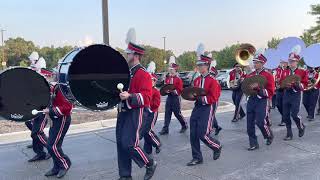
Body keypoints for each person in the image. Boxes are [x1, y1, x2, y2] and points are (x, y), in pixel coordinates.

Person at [116, 28, 157, 180]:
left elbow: (147, 97)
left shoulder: (143, 74)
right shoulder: (127, 72)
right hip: (123, 112)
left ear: (136, 55)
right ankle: (125, 175)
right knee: (121, 144)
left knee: (129, 143)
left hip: (136, 112)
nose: (126, 55)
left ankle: (149, 163)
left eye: (129, 53)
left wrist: (130, 96)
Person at [187, 45, 222, 166]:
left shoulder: (213, 81)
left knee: (202, 134)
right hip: (197, 108)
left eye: (201, 65)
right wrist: (191, 96)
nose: (199, 67)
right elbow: (194, 94)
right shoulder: (196, 80)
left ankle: (216, 146)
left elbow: (214, 97)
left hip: (207, 108)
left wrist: (201, 99)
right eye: (198, 65)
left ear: (207, 66)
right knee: (193, 134)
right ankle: (197, 157)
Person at [44, 73, 73, 178]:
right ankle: (56, 167)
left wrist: (50, 110)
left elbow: (67, 107)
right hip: (55, 119)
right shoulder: (55, 87)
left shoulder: (63, 88)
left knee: (53, 146)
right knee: (50, 145)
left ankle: (65, 163)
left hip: (62, 119)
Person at [245, 50, 275, 151]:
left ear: (262, 63)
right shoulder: (250, 75)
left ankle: (269, 135)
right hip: (251, 100)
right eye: (254, 62)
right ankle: (253, 143)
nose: (255, 64)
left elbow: (271, 91)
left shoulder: (268, 75)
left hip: (262, 100)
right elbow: (246, 87)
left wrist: (258, 89)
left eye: (257, 62)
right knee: (249, 124)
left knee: (260, 122)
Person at [280, 46, 307, 141]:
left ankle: (301, 126)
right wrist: (284, 85)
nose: (291, 63)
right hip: (286, 95)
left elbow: (305, 85)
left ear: (297, 62)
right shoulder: (284, 72)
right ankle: (289, 134)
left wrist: (298, 84)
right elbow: (281, 84)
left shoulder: (302, 72)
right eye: (290, 61)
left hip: (296, 95)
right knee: (286, 115)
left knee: (294, 114)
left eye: (293, 61)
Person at [159, 58, 188, 135]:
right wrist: (166, 91)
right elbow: (165, 87)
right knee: (167, 113)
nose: (170, 70)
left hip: (176, 98)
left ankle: (184, 125)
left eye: (172, 69)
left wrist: (173, 91)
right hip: (169, 97)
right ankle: (165, 128)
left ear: (175, 70)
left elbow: (180, 90)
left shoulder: (178, 79)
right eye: (170, 69)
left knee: (177, 113)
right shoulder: (167, 78)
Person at [143, 73, 162, 155]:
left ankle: (157, 143)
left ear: (154, 81)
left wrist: (148, 105)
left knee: (148, 131)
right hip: (145, 113)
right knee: (144, 131)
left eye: (151, 80)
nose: (150, 82)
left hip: (152, 112)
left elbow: (156, 104)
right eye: (149, 80)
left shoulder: (156, 91)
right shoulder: (146, 90)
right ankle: (147, 150)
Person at [275, 61, 289, 126]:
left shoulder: (288, 70)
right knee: (278, 104)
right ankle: (285, 116)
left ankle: (284, 120)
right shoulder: (278, 70)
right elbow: (275, 77)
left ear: (287, 63)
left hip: (285, 89)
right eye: (281, 62)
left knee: (284, 105)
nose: (282, 64)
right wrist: (276, 81)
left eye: (284, 62)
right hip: (278, 89)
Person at [209, 65, 222, 135]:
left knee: (211, 115)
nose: (210, 75)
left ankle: (212, 128)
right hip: (210, 100)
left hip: (214, 101)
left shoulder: (215, 82)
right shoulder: (210, 81)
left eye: (211, 74)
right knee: (210, 115)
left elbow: (217, 94)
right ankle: (216, 127)